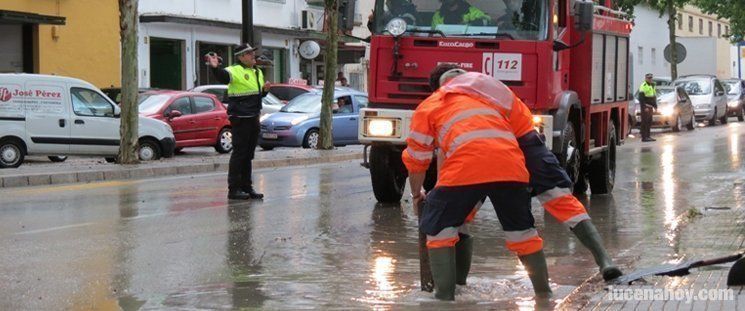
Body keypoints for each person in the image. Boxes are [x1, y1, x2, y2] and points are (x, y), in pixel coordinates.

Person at [403, 64, 551, 300]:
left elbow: (417, 159)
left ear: (437, 88)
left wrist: (417, 195)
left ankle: (444, 298)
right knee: (523, 233)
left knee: (439, 229)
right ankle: (544, 295)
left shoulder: (432, 104)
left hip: (465, 171)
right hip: (512, 169)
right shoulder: (489, 98)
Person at [207, 43, 270, 200]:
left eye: (253, 53)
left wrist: (265, 91)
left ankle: (247, 187)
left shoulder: (257, 72)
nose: (253, 56)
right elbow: (223, 76)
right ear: (241, 57)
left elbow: (257, 94)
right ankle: (234, 189)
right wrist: (215, 68)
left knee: (248, 155)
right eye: (249, 54)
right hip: (240, 118)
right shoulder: (234, 70)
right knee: (239, 154)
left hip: (254, 116)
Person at [638, 73, 658, 142]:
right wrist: (644, 107)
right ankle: (644, 137)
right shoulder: (643, 86)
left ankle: (648, 136)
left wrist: (655, 106)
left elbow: (653, 97)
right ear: (646, 78)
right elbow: (641, 98)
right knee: (645, 122)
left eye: (651, 78)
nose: (650, 79)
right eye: (648, 78)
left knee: (649, 122)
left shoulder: (653, 85)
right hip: (646, 107)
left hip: (650, 107)